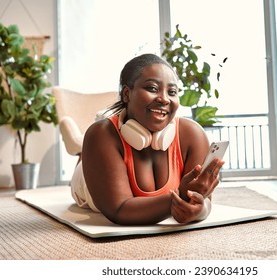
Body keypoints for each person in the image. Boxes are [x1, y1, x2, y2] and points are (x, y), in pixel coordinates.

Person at [71, 53, 225, 225]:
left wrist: (199, 210)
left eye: (172, 92)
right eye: (152, 88)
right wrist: (180, 197)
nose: (164, 99)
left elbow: (203, 200)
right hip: (85, 182)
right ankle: (82, 154)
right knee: (95, 137)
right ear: (127, 94)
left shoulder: (192, 134)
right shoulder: (101, 135)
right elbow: (119, 210)